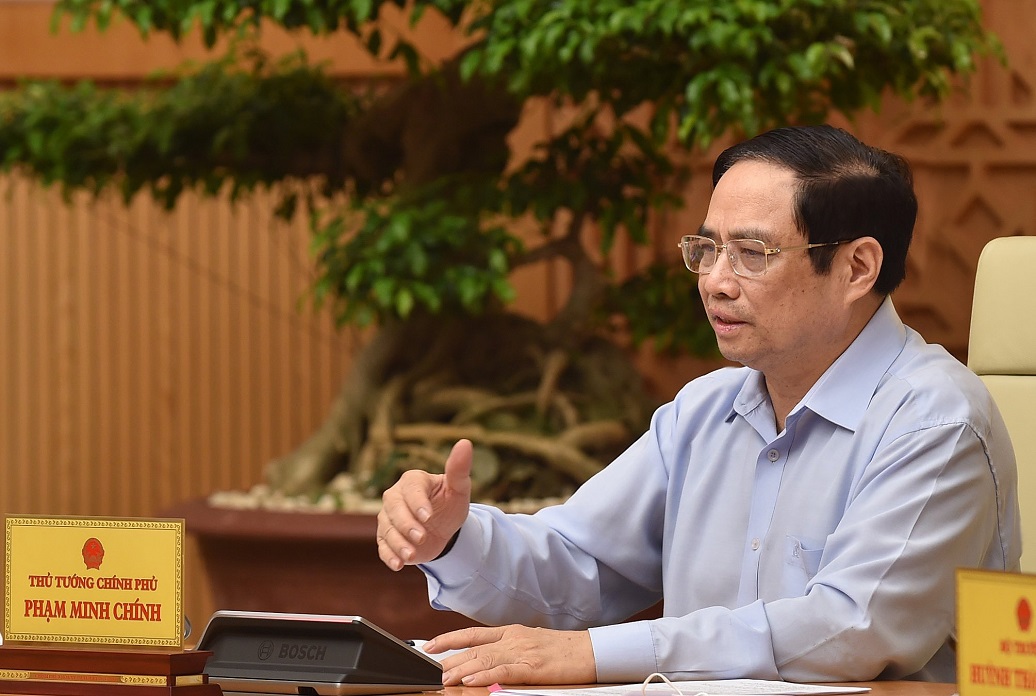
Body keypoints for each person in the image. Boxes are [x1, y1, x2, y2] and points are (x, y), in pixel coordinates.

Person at [375, 125, 1021, 687]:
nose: (714, 280)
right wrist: (452, 536)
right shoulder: (704, 411)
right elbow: (582, 565)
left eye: (752, 254)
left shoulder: (937, 422)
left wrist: (595, 655)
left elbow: (851, 628)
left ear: (856, 268)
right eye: (708, 249)